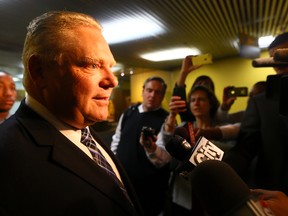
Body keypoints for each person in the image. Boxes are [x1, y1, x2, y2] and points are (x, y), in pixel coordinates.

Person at [0, 11, 144, 216]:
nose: (113, 81)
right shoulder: (6, 159)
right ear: (40, 71)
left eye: (110, 67)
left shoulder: (81, 124)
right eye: (93, 65)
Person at [224, 32, 288, 194]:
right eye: (273, 56)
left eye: (283, 53)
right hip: (273, 193)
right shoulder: (260, 103)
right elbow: (245, 148)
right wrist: (222, 169)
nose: (278, 61)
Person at [111, 76, 170, 216]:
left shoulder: (167, 119)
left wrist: (151, 148)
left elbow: (163, 160)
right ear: (143, 91)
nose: (152, 95)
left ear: (162, 96)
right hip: (123, 183)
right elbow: (116, 140)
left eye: (158, 92)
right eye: (149, 90)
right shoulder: (128, 112)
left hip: (150, 190)